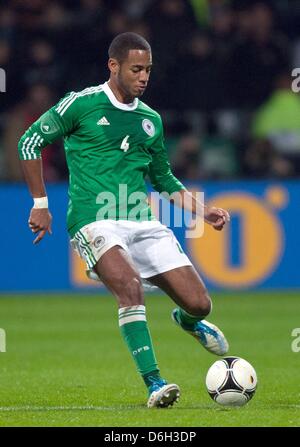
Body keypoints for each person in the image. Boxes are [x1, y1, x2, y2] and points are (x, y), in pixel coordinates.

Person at [18, 32, 230, 408]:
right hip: (93, 219)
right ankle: (154, 383)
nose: (144, 76)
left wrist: (202, 209)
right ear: (113, 66)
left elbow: (163, 179)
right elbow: (29, 142)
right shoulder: (81, 104)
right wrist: (40, 203)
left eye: (148, 69)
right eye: (136, 69)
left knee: (200, 304)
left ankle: (186, 321)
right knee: (129, 288)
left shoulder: (151, 120)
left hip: (143, 222)